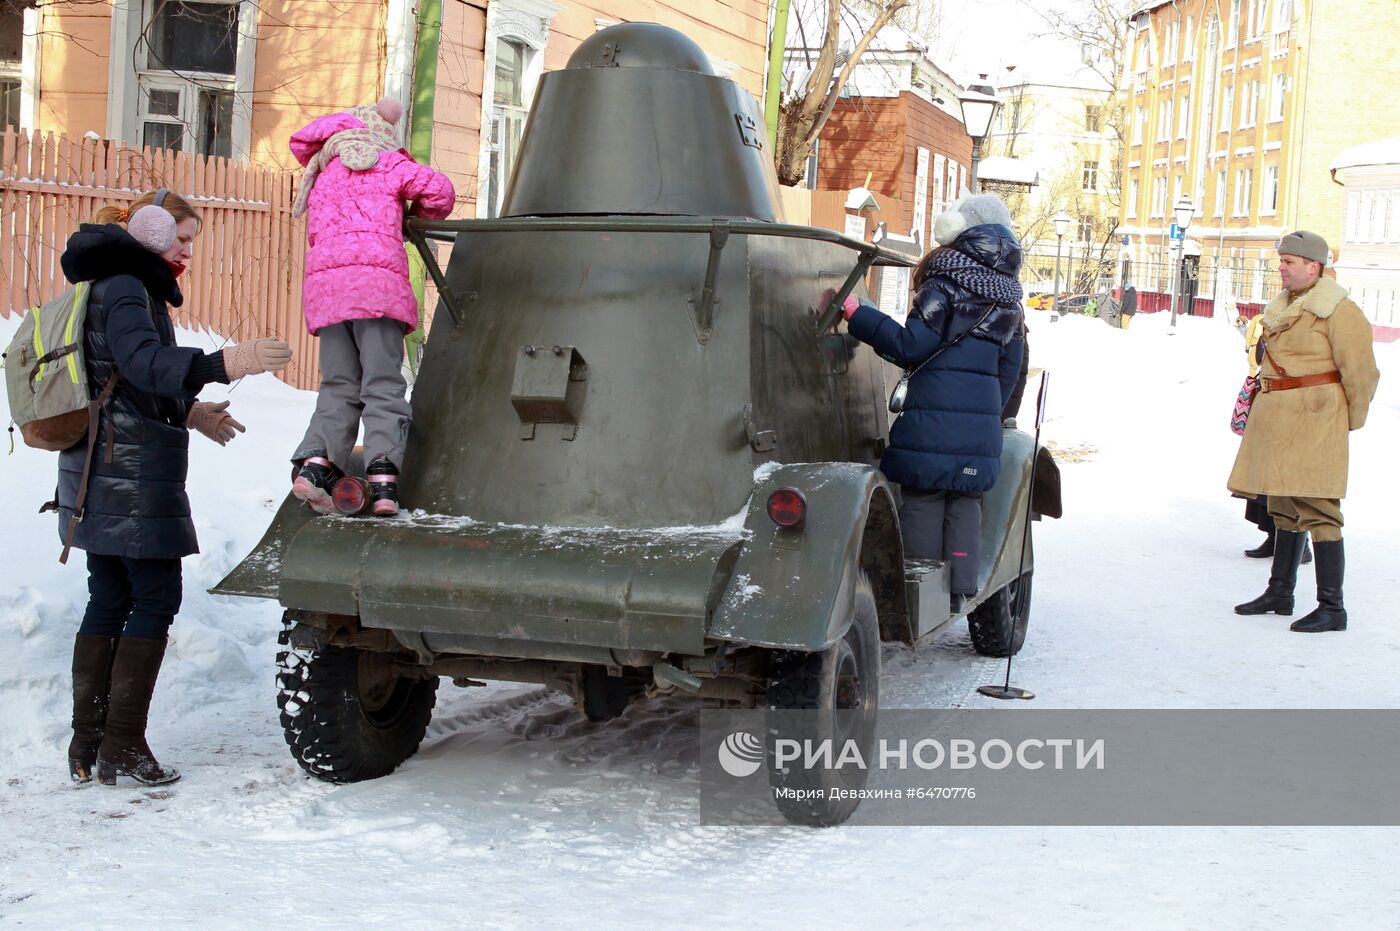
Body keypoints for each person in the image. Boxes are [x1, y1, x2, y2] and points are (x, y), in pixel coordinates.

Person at [57, 189, 294, 785]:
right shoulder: (129, 288)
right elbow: (143, 364)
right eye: (182, 237)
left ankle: (89, 746)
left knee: (109, 597)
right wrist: (228, 362)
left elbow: (122, 376)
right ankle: (124, 746)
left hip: (99, 462)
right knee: (156, 597)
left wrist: (190, 411)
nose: (188, 250)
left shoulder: (105, 283)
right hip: (132, 470)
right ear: (152, 231)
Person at [843, 194, 1026, 612]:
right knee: (964, 501)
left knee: (924, 500)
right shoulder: (1009, 301)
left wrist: (858, 315)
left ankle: (920, 597)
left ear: (958, 232)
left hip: (930, 423)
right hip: (978, 428)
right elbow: (1010, 370)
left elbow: (911, 345)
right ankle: (960, 587)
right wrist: (984, 415)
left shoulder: (944, 284)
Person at [287, 97, 456, 516]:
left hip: (329, 296)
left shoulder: (325, 172)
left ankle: (316, 467)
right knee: (381, 384)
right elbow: (441, 193)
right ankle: (383, 480)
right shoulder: (390, 163)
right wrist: (412, 211)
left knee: (339, 384)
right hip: (377, 292)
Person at [1230, 231, 1380, 632]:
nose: (1280, 268)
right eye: (1281, 261)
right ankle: (1281, 592)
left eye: (1289, 262)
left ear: (1313, 267)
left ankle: (1333, 608)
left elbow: (1361, 373)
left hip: (1316, 419)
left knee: (1319, 509)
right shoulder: (1282, 309)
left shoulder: (1339, 310)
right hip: (1277, 418)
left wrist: (1344, 420)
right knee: (1282, 506)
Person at [1235, 312, 1311, 564]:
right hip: (1268, 406)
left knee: (1286, 480)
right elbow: (1258, 357)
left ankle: (1301, 543)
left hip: (1294, 411)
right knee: (1264, 478)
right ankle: (1272, 535)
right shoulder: (1267, 322)